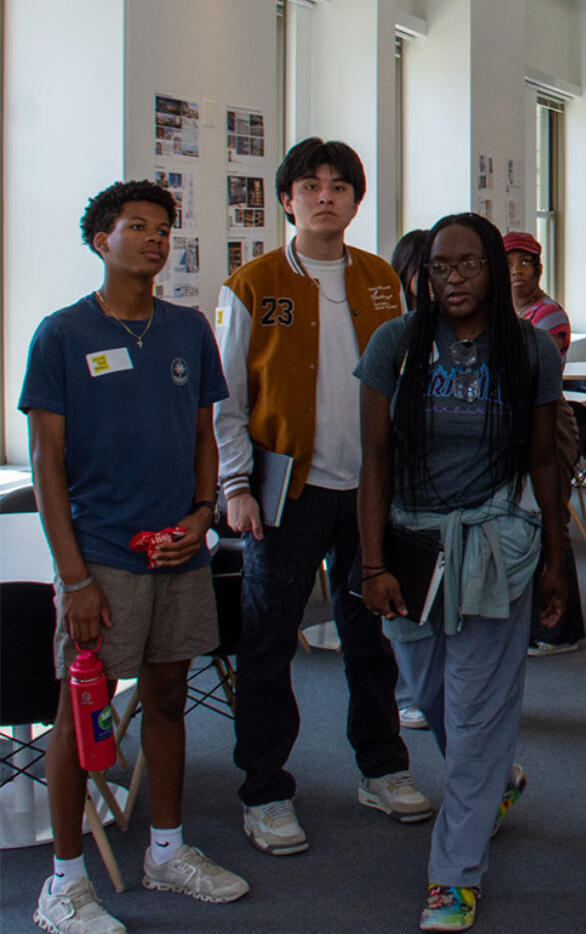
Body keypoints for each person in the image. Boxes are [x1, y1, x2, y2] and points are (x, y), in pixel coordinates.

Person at [21, 180, 249, 934]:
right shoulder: (60, 334)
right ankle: (62, 881)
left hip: (177, 550)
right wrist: (75, 575)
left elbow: (203, 437)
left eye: (164, 229)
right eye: (138, 227)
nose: (155, 240)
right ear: (101, 240)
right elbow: (47, 463)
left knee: (168, 698)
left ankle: (167, 849)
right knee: (76, 711)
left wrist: (201, 514)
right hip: (103, 556)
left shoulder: (188, 330)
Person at [355, 213, 570, 932]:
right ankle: (496, 782)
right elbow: (375, 462)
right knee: (430, 693)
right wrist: (373, 562)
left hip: (492, 542)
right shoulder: (396, 345)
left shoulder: (531, 350)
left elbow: (543, 459)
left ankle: (454, 873)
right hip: (411, 545)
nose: (452, 279)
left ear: (495, 268)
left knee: (477, 710)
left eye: (468, 265)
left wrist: (554, 560)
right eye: (439, 267)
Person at [215, 138, 424, 857]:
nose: (325, 196)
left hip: (368, 488)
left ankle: (381, 766)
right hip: (286, 492)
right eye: (310, 185)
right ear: (286, 200)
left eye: (340, 186)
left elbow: (402, 382)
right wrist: (235, 484)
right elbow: (227, 399)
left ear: (356, 201)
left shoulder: (379, 280)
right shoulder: (252, 283)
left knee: (371, 635)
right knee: (269, 642)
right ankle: (265, 788)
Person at [503, 231, 586, 657]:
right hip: (518, 425)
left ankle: (562, 629)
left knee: (554, 521)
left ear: (538, 268)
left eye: (525, 263)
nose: (516, 272)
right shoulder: (506, 313)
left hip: (549, 422)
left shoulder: (546, 314)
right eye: (509, 263)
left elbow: (531, 372)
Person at [390, 227, 433, 731]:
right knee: (407, 613)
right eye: (427, 272)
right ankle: (410, 694)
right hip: (402, 492)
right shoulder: (392, 335)